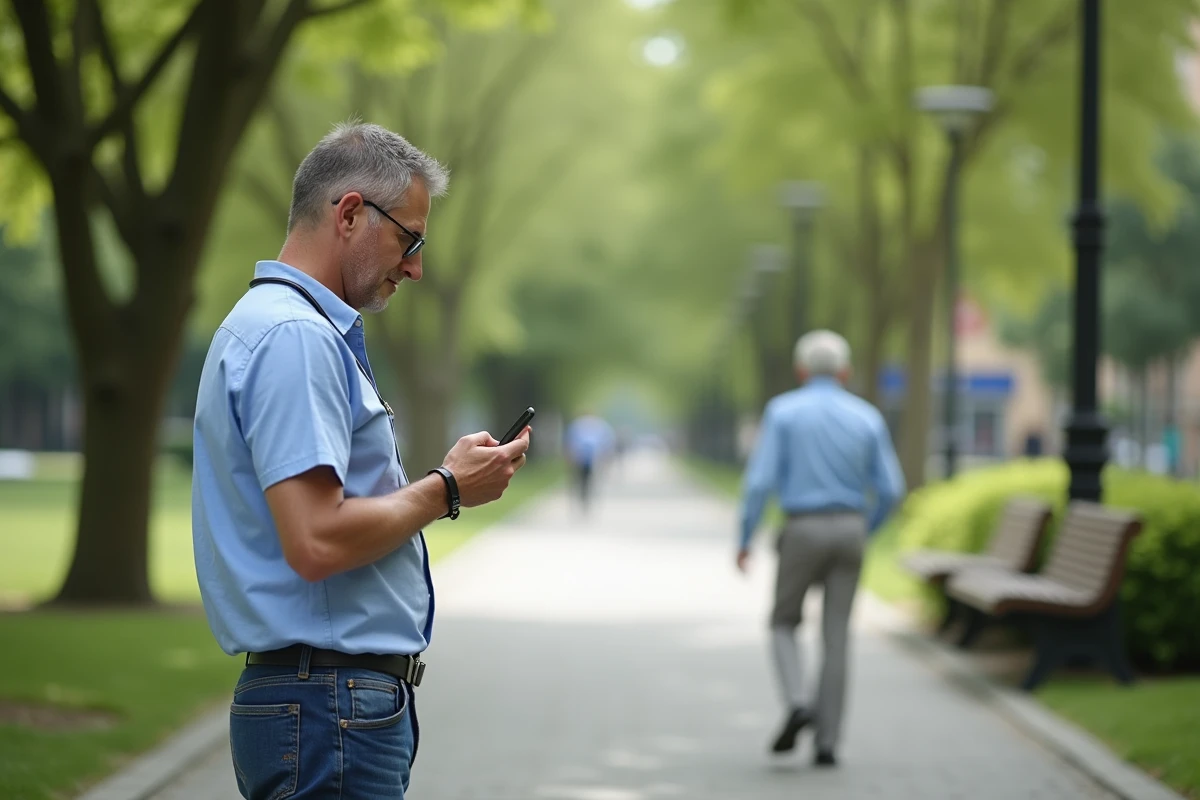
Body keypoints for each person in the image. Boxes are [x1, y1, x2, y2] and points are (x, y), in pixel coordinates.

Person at [191, 122, 531, 799]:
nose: (415, 267)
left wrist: (444, 481)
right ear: (350, 213)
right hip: (327, 704)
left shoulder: (275, 328)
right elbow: (316, 540)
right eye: (410, 239)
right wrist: (446, 488)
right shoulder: (296, 338)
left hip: (321, 700)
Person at [736, 330, 905, 767]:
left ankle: (796, 702)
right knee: (836, 637)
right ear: (846, 372)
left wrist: (745, 538)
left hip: (802, 529)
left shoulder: (783, 412)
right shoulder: (867, 417)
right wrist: (866, 528)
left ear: (801, 370)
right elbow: (891, 489)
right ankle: (828, 743)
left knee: (783, 622)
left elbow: (758, 484)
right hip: (850, 528)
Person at [563, 413, 615, 513]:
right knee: (582, 480)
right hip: (581, 459)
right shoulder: (597, 426)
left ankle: (585, 498)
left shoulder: (583, 425)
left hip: (591, 459)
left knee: (587, 480)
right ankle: (583, 498)